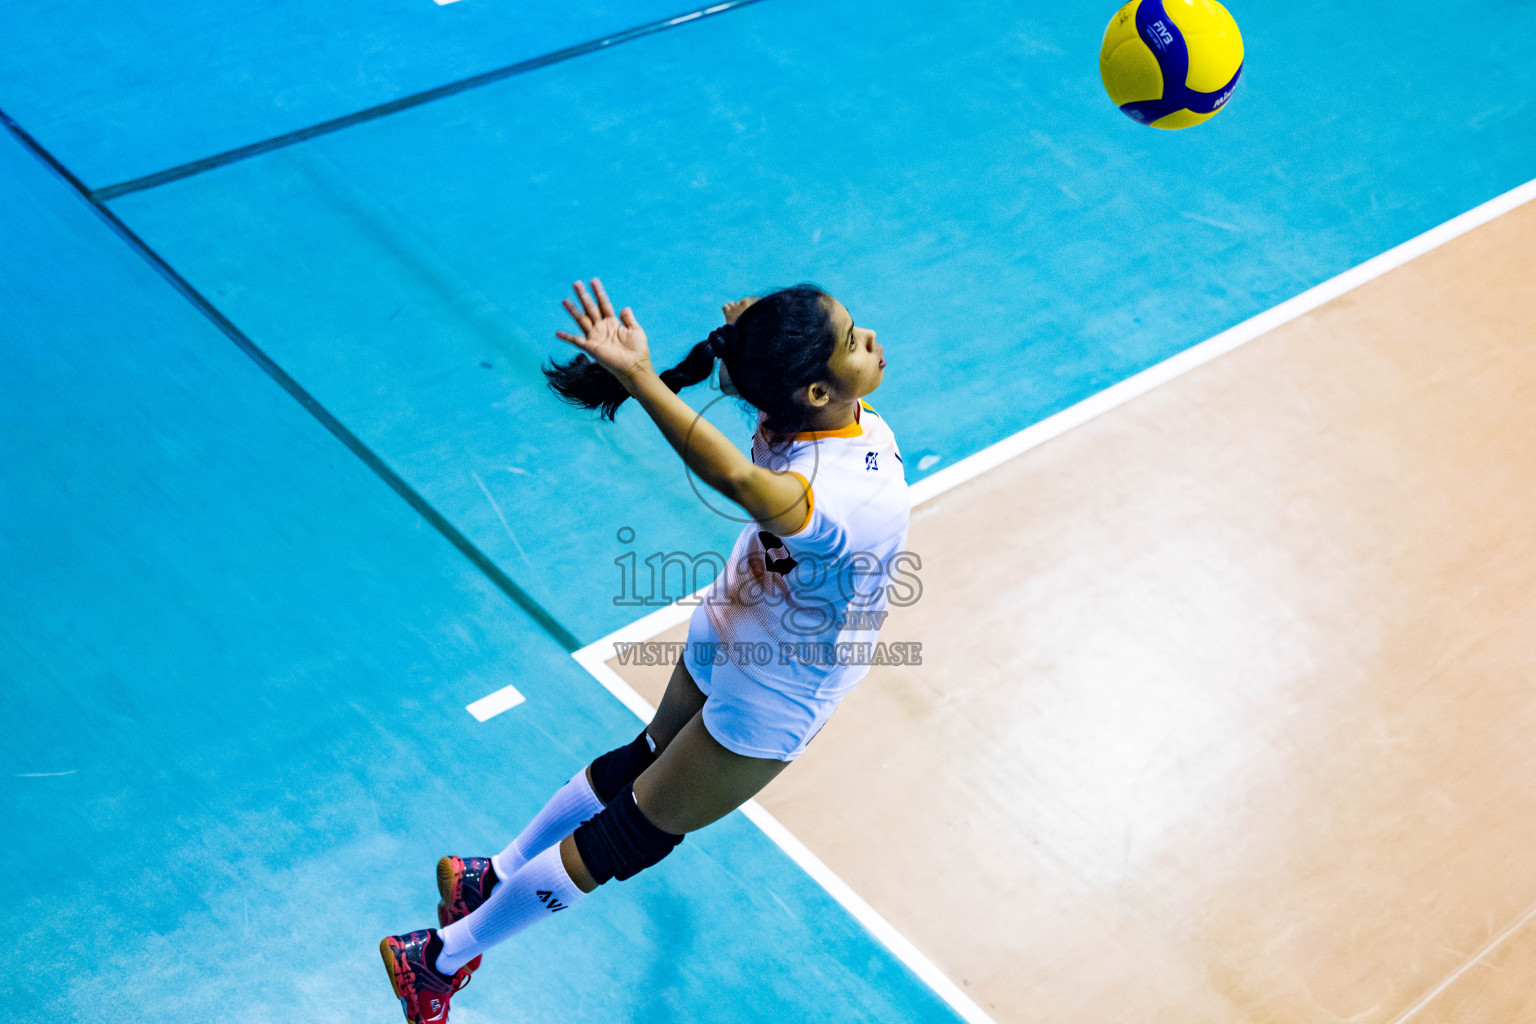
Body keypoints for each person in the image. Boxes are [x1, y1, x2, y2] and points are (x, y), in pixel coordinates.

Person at [380, 279, 909, 1023]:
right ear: (816, 387)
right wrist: (637, 376)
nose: (872, 339)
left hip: (732, 618)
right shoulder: (834, 496)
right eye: (854, 340)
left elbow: (755, 384)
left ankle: (488, 875)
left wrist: (746, 335)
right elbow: (732, 474)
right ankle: (432, 961)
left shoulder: (795, 412)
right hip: (781, 682)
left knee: (645, 756)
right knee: (637, 833)